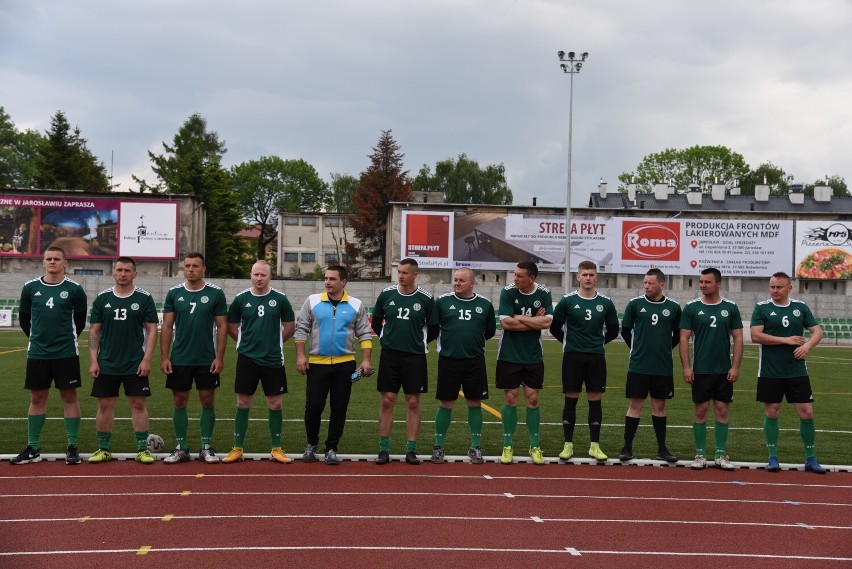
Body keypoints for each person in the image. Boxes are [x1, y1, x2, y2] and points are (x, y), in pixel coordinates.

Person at [11, 246, 87, 465]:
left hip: (66, 353)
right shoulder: (30, 288)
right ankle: (33, 448)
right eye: (48, 259)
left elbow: (80, 321)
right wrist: (38, 340)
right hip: (38, 353)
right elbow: (24, 319)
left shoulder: (74, 289)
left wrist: (65, 340)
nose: (52, 262)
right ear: (43, 262)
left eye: (56, 259)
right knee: (37, 398)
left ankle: (72, 446)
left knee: (69, 397)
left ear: (65, 263)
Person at [295, 265, 372, 465]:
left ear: (343, 282)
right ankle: (312, 444)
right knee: (313, 407)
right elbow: (301, 329)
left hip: (345, 365)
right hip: (317, 364)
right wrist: (301, 356)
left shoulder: (356, 304)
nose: (327, 282)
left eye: (332, 279)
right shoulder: (312, 301)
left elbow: (364, 334)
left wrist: (366, 360)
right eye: (326, 279)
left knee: (339, 408)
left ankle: (331, 448)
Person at [750, 272, 826, 474]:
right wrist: (786, 340)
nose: (775, 290)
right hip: (770, 371)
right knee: (772, 411)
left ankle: (810, 458)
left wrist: (807, 346)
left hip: (797, 370)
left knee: (807, 413)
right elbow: (755, 336)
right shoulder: (762, 308)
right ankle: (772, 457)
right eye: (772, 287)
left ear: (789, 288)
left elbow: (818, 331)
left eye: (779, 287)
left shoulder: (800, 307)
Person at [87, 256, 159, 465]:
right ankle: (103, 448)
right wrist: (94, 360)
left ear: (134, 273)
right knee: (105, 404)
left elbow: (152, 330)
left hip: (134, 362)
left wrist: (146, 359)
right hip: (107, 362)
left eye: (127, 270)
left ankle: (142, 449)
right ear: (113, 272)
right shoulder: (102, 298)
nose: (123, 274)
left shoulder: (144, 298)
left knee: (138, 403)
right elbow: (94, 332)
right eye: (119, 270)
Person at [222, 260, 296, 464]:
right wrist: (245, 343)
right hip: (247, 359)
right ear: (250, 275)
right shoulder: (240, 299)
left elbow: (289, 326)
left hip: (273, 359)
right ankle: (237, 448)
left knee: (275, 403)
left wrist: (276, 343)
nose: (259, 278)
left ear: (270, 276)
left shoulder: (280, 299)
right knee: (243, 402)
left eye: (263, 275)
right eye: (256, 274)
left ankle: (276, 448)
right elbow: (232, 325)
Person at [159, 252, 228, 463]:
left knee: (207, 400)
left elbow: (222, 325)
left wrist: (219, 356)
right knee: (180, 401)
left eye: (195, 266)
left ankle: (206, 447)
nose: (190, 269)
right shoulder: (174, 293)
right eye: (187, 266)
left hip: (206, 358)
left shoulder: (216, 293)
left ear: (203, 268)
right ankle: (182, 447)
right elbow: (168, 326)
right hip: (180, 358)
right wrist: (164, 357)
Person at [549, 260, 619, 462]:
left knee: (595, 400)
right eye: (584, 275)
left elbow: (613, 330)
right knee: (571, 398)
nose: (588, 278)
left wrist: (597, 343)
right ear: (577, 277)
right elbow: (555, 328)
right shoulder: (567, 301)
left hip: (596, 357)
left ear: (596, 277)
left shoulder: (605, 302)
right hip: (572, 356)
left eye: (591, 275)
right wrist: (569, 342)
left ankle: (595, 446)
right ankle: (568, 445)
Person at [371, 258, 436, 465]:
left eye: (405, 272)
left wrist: (421, 342)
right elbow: (376, 321)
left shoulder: (426, 299)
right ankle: (383, 449)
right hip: (390, 355)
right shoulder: (387, 294)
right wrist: (385, 339)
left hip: (414, 356)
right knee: (388, 399)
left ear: (415, 274)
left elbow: (433, 327)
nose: (400, 275)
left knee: (413, 402)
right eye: (399, 271)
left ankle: (411, 449)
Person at [429, 268, 496, 465]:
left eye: (461, 280)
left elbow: (490, 331)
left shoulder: (484, 304)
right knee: (446, 403)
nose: (457, 283)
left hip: (474, 361)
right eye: (455, 280)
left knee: (474, 403)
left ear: (472, 283)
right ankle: (438, 446)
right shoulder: (442, 302)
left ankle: (475, 446)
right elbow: (433, 327)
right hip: (449, 361)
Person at [679, 268, 744, 471]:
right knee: (701, 410)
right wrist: (687, 367)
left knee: (722, 410)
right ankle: (699, 454)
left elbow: (739, 338)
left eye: (707, 282)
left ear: (718, 283)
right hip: (701, 370)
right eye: (701, 282)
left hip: (724, 370)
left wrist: (735, 366)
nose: (702, 285)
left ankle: (720, 454)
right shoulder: (691, 308)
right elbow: (684, 338)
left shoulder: (731, 308)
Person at [619, 268, 682, 463]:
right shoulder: (635, 305)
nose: (646, 286)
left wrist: (662, 349)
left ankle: (662, 449)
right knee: (635, 405)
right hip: (638, 366)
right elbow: (626, 330)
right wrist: (637, 349)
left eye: (651, 283)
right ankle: (627, 447)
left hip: (662, 367)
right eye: (645, 283)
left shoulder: (673, 307)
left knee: (660, 407)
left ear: (661, 284)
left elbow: (678, 335)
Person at [496, 261, 553, 465]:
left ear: (532, 278)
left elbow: (546, 323)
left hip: (533, 355)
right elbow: (506, 323)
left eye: (520, 275)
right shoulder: (508, 292)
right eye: (515, 274)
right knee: (511, 398)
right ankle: (507, 444)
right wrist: (532, 323)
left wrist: (518, 317)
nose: (515, 278)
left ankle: (534, 445)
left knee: (532, 399)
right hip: (509, 354)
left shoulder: (544, 293)